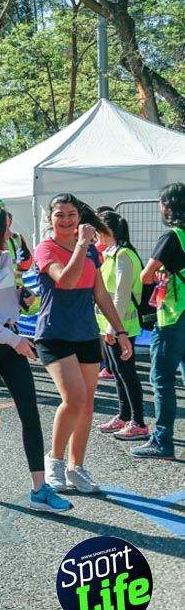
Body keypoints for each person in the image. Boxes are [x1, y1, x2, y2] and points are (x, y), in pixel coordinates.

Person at [0, 205, 73, 512]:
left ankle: (39, 488)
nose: (10, 233)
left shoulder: (6, 259)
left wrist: (23, 301)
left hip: (11, 342)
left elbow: (8, 303)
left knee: (30, 414)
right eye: (5, 228)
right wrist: (15, 340)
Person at [35, 194, 131, 492]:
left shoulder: (91, 252)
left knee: (87, 404)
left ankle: (77, 467)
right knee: (74, 398)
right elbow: (65, 279)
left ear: (80, 217)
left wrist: (121, 331)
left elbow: (100, 293)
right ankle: (55, 461)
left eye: (72, 215)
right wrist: (81, 244)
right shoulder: (45, 248)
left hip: (86, 334)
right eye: (60, 215)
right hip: (54, 334)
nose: (66, 220)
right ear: (50, 219)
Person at [134, 182, 185, 459]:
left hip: (173, 316)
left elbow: (145, 275)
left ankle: (162, 440)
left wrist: (161, 272)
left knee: (162, 379)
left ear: (168, 206)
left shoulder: (172, 237)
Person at [93, 212, 149, 441]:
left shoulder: (124, 255)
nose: (96, 235)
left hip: (122, 326)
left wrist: (113, 329)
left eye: (98, 230)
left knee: (127, 373)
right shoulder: (112, 254)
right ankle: (124, 415)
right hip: (112, 325)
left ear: (108, 232)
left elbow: (122, 295)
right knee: (117, 372)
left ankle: (139, 422)